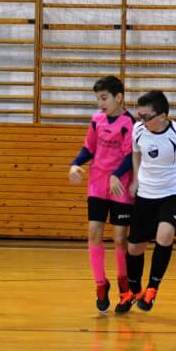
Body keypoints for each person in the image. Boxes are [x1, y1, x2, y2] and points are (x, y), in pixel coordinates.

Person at [117, 90, 176, 313]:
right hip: (146, 193)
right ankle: (134, 290)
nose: (142, 121)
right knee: (134, 247)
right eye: (140, 116)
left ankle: (152, 288)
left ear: (163, 115)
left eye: (147, 117)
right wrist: (136, 180)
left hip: (174, 193)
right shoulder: (139, 130)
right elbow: (136, 153)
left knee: (164, 234)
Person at [69, 76, 135, 312]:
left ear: (119, 97)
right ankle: (100, 284)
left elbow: (131, 155)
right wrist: (75, 164)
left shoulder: (129, 123)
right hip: (97, 184)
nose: (100, 104)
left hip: (120, 186)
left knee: (120, 239)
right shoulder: (97, 120)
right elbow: (89, 147)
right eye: (98, 99)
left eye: (104, 98)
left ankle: (124, 285)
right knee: (94, 233)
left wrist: (117, 174)